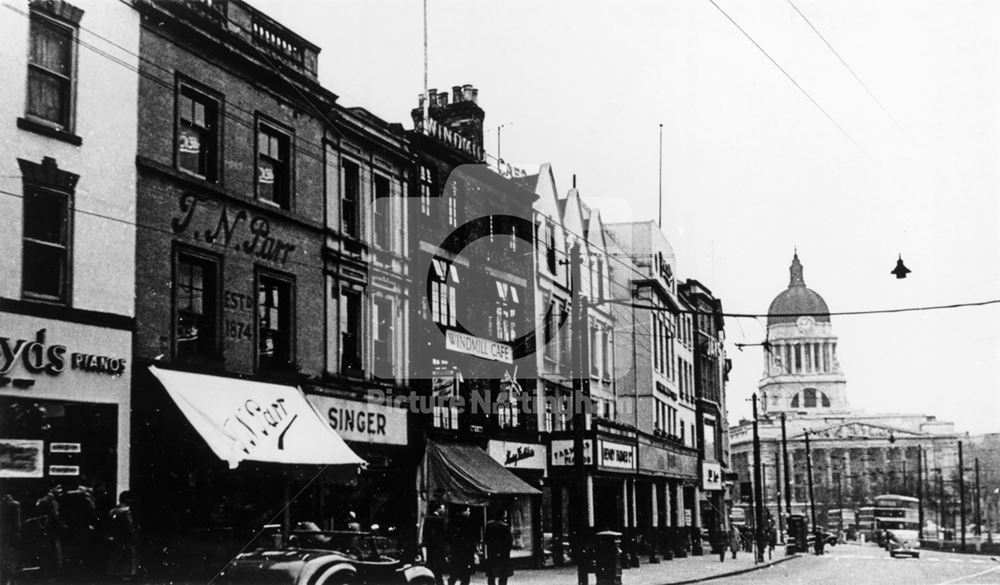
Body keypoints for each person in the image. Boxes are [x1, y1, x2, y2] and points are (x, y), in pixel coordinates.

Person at [107, 491, 139, 580]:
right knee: (128, 559)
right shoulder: (126, 512)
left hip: (116, 538)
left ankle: (112, 575)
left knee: (115, 557)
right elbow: (130, 527)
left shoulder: (112, 511)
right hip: (126, 539)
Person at [447, 506, 479, 585]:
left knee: (454, 573)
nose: (469, 512)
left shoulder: (452, 521)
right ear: (463, 511)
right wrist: (474, 550)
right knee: (465, 575)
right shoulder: (469, 522)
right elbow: (472, 538)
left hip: (455, 551)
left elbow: (448, 536)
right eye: (468, 511)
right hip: (466, 553)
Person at [421, 504, 449, 585]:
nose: (444, 510)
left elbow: (425, 534)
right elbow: (443, 535)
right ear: (438, 509)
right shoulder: (441, 520)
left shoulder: (427, 519)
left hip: (430, 548)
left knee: (431, 568)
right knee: (439, 570)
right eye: (443, 508)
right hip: (439, 548)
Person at [484, 511, 513, 585]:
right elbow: (509, 541)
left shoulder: (489, 525)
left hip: (492, 552)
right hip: (503, 553)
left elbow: (486, 539)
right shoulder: (505, 526)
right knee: (503, 574)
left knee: (491, 574)